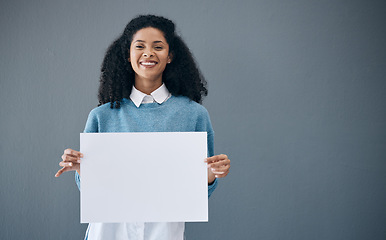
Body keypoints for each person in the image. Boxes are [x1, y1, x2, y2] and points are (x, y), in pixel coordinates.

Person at [55, 14, 231, 240]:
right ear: (128, 55)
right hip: (109, 230)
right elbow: (92, 192)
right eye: (139, 46)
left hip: (164, 230)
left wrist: (211, 174)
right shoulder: (101, 116)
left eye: (158, 46)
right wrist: (81, 168)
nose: (148, 53)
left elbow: (198, 192)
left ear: (170, 56)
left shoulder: (194, 114)